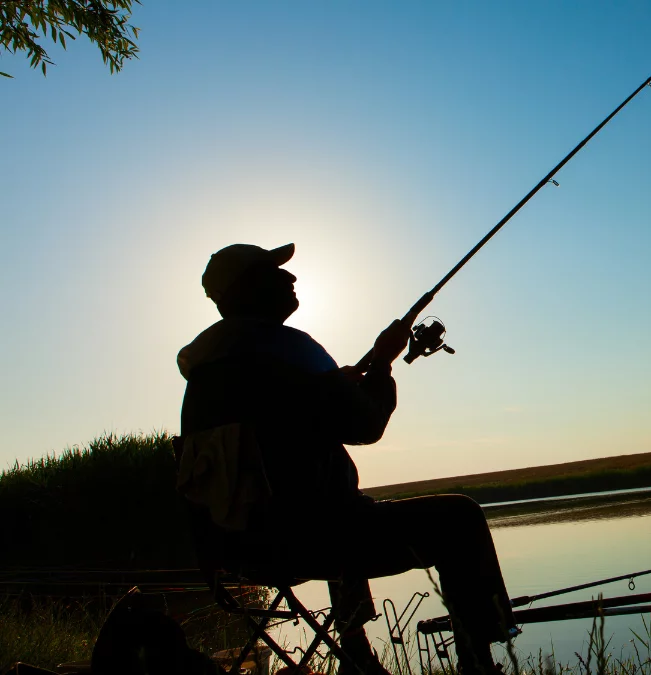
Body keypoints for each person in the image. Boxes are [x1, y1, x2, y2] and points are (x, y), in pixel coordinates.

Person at [177, 243, 517, 675]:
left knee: (341, 502)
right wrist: (381, 364)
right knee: (459, 518)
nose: (291, 279)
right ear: (249, 288)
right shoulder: (291, 352)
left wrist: (332, 385)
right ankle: (479, 663)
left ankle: (355, 650)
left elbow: (281, 423)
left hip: (238, 550)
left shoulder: (204, 377)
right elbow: (366, 425)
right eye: (276, 273)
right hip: (312, 542)